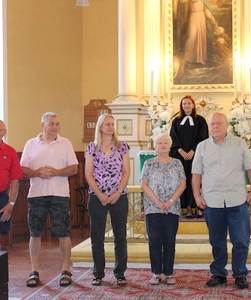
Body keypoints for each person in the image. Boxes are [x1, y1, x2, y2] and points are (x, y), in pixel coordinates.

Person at [191, 112, 251, 289]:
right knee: (217, 241)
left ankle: (240, 274)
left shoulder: (239, 144)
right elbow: (196, 174)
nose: (215, 127)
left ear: (226, 125)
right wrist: (197, 196)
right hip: (213, 203)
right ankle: (219, 273)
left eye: (219, 123)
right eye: (212, 124)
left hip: (237, 201)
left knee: (241, 241)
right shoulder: (202, 147)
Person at [20, 112, 78, 288]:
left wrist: (56, 172)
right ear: (42, 125)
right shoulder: (31, 144)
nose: (54, 127)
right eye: (51, 124)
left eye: (57, 124)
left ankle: (66, 269)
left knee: (63, 233)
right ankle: (34, 270)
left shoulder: (65, 143)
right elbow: (22, 169)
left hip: (59, 194)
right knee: (35, 233)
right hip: (37, 195)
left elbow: (74, 168)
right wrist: (38, 173)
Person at [85, 114, 130, 287]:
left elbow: (126, 171)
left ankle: (120, 273)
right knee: (97, 237)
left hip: (119, 196)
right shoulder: (92, 148)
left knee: (120, 236)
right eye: (107, 124)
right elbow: (88, 173)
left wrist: (118, 192)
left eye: (112, 124)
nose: (110, 126)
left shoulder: (122, 147)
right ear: (100, 127)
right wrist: (100, 194)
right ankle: (98, 273)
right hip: (97, 197)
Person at [141, 133, 186, 285]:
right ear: (155, 146)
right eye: (159, 142)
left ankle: (168, 273)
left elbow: (182, 184)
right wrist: (159, 202)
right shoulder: (149, 163)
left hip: (172, 207)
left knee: (169, 241)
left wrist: (170, 201)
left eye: (165, 142)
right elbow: (144, 185)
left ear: (170, 145)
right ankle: (156, 273)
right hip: (153, 207)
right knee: (154, 241)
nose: (162, 145)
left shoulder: (177, 163)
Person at [170, 95, 208, 219]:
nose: (186, 105)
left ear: (193, 105)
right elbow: (173, 138)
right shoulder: (176, 121)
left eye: (188, 103)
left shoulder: (200, 120)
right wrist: (181, 151)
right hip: (180, 157)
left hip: (196, 156)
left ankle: (197, 207)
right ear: (181, 106)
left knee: (195, 180)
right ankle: (187, 208)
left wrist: (193, 151)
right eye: (184, 104)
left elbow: (203, 138)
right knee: (183, 180)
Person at [174, 0, 215, 82]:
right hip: (193, 17)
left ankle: (201, 58)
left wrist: (211, 17)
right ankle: (187, 56)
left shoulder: (202, 1)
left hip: (201, 17)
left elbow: (206, 10)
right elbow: (182, 1)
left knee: (201, 37)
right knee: (192, 37)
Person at [0, 120, 23, 230]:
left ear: (5, 132)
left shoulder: (10, 152)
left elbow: (15, 180)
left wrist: (11, 203)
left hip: (2, 197)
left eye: (0, 130)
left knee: (1, 232)